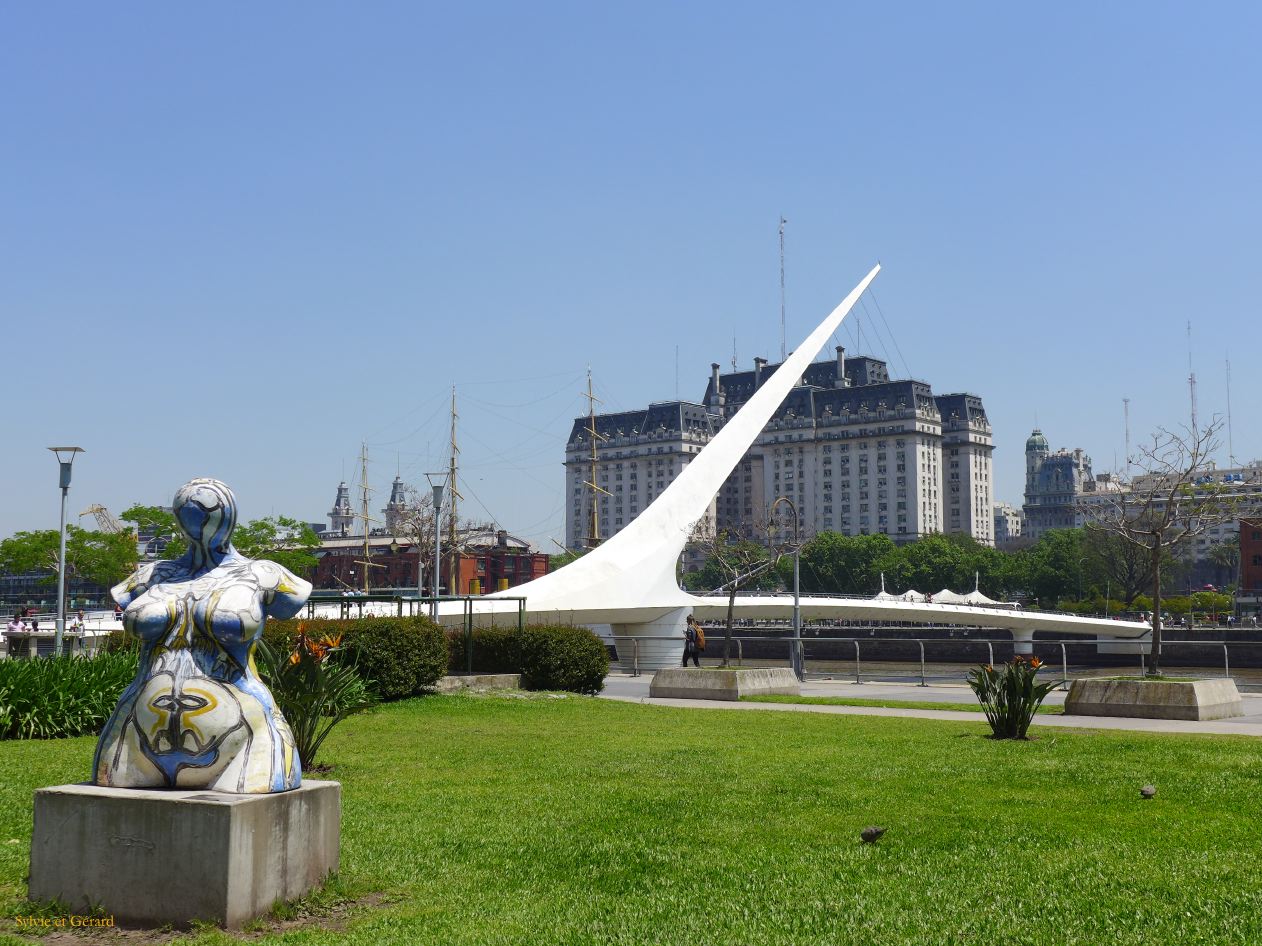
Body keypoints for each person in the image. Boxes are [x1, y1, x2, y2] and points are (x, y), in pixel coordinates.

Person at [94, 478, 311, 794]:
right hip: (133, 741)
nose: (201, 523)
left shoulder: (264, 574)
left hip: (246, 743)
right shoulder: (153, 575)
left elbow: (290, 603)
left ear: (232, 516)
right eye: (188, 514)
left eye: (209, 512)